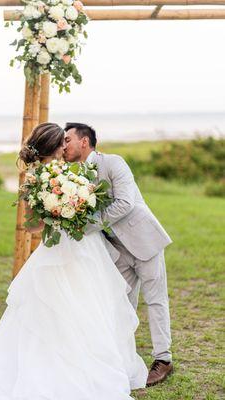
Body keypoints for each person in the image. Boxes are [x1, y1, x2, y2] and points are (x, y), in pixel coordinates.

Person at [0, 122, 148, 400]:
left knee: (83, 305)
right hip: (67, 249)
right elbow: (33, 225)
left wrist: (69, 208)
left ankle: (81, 361)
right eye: (63, 142)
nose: (66, 146)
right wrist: (61, 210)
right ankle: (70, 367)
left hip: (79, 247)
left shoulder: (49, 175)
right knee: (74, 305)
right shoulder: (45, 178)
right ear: (56, 145)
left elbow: (35, 226)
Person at [64, 122, 173, 387]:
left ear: (84, 142)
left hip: (143, 240)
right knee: (120, 305)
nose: (63, 145)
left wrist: (88, 225)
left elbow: (125, 202)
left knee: (156, 300)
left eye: (67, 140)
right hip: (116, 250)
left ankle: (164, 359)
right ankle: (121, 359)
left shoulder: (114, 163)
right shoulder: (77, 177)